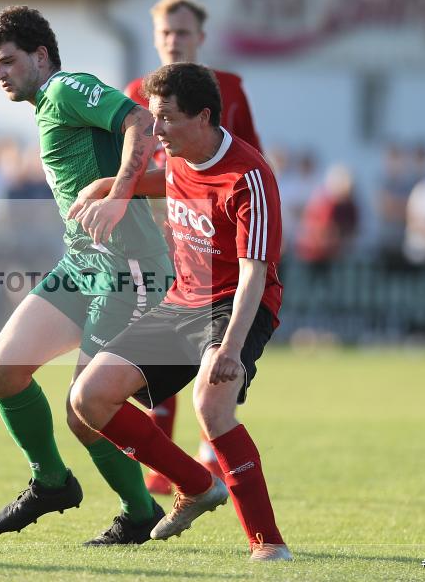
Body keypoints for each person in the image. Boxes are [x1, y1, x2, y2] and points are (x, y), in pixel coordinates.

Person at [69, 63, 292, 561]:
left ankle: (268, 545)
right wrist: (108, 185)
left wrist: (229, 349)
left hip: (236, 304)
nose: (156, 129)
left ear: (203, 117)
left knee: (211, 408)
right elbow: (169, 180)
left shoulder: (248, 177)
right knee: (89, 397)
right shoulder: (185, 155)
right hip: (182, 300)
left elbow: (255, 275)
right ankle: (196, 485)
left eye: (166, 118)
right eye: (153, 117)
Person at [0, 5, 174, 544]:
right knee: (3, 370)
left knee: (85, 409)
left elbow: (139, 121)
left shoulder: (67, 87)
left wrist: (118, 194)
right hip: (82, 264)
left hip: (127, 268)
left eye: (8, 62)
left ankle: (140, 514)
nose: (0, 74)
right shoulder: (45, 104)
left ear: (41, 56)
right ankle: (52, 483)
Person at [123, 0, 263, 494]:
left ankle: (209, 449)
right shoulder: (137, 92)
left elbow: (246, 157)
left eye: (183, 33)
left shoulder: (229, 88)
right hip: (166, 238)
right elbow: (137, 168)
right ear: (155, 37)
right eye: (165, 33)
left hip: (220, 240)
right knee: (152, 344)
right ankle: (166, 458)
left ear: (200, 38)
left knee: (216, 345)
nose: (173, 41)